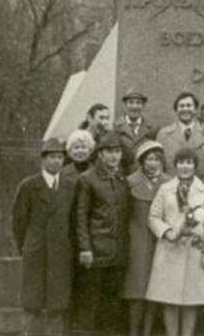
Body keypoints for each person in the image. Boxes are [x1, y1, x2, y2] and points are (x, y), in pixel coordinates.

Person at [147, 147, 204, 336]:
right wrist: (169, 232)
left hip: (195, 248)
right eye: (181, 163)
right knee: (170, 298)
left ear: (195, 166)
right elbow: (153, 217)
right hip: (171, 249)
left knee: (191, 299)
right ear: (175, 165)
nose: (185, 167)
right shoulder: (165, 188)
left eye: (189, 163)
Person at [11, 137, 76, 336]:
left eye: (60, 157)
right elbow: (18, 222)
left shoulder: (70, 186)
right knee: (33, 303)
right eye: (52, 157)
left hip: (61, 253)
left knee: (57, 304)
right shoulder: (29, 186)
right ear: (43, 159)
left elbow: (73, 222)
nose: (57, 161)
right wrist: (29, 245)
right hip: (36, 251)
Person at [74, 131, 130, 335]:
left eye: (117, 151)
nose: (114, 156)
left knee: (112, 306)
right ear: (99, 154)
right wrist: (85, 248)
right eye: (109, 152)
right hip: (96, 252)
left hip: (118, 253)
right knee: (90, 304)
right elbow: (80, 217)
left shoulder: (123, 179)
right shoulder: (87, 179)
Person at [123, 140, 169, 336]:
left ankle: (148, 331)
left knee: (155, 289)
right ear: (142, 161)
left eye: (157, 159)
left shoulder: (168, 182)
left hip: (160, 241)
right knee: (137, 289)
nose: (154, 163)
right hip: (138, 240)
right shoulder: (131, 182)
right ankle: (134, 331)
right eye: (149, 159)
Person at [157, 92, 204, 170]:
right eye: (181, 106)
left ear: (196, 110)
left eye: (189, 105)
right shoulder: (163, 134)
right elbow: (158, 163)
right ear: (176, 111)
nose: (185, 109)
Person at [115, 89, 156, 173]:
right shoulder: (116, 127)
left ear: (143, 106)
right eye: (131, 102)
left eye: (138, 103)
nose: (134, 106)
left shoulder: (151, 128)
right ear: (125, 105)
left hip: (143, 174)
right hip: (122, 174)